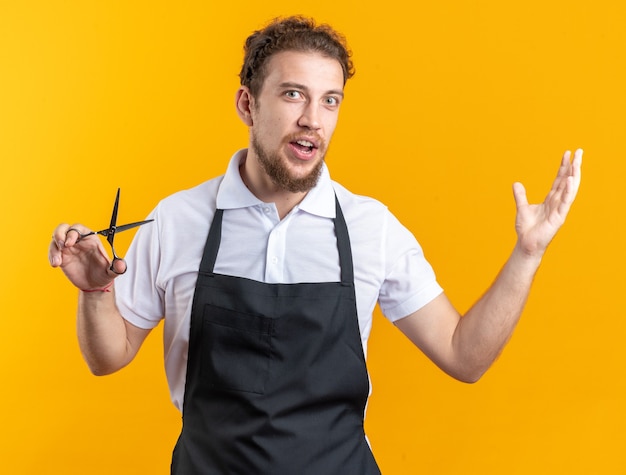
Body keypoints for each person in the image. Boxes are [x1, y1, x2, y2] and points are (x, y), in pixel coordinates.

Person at [49, 15, 582, 474]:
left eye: (330, 100)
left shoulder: (370, 227)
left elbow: (464, 356)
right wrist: (96, 292)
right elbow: (107, 357)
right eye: (292, 94)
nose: (313, 118)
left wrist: (527, 254)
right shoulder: (177, 220)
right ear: (246, 104)